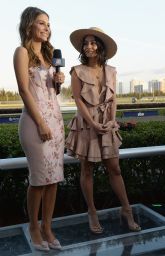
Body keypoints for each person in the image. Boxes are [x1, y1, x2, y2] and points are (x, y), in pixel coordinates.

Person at [66, 27, 141, 234]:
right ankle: (92, 212)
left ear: (100, 46)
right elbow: (78, 100)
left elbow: (113, 98)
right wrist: (92, 123)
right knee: (87, 170)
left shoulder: (111, 71)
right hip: (86, 124)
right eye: (85, 43)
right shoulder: (76, 71)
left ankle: (126, 210)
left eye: (93, 42)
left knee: (115, 168)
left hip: (106, 124)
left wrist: (111, 120)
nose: (88, 46)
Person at [13, 7, 65, 251]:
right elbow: (24, 91)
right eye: (41, 23)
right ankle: (33, 226)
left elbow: (52, 94)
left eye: (48, 24)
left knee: (53, 179)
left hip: (55, 121)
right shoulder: (22, 52)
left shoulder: (50, 54)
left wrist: (59, 83)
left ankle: (47, 227)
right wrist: (42, 124)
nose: (46, 28)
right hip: (35, 124)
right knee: (39, 180)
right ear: (29, 25)